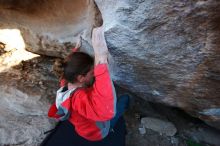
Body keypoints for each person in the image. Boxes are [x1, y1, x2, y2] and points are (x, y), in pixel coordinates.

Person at [41, 26, 129, 146]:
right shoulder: (79, 99)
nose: (94, 73)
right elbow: (106, 111)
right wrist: (101, 59)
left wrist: (77, 49)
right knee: (125, 99)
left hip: (83, 130)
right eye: (92, 72)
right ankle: (127, 105)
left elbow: (69, 65)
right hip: (97, 132)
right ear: (81, 78)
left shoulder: (66, 80)